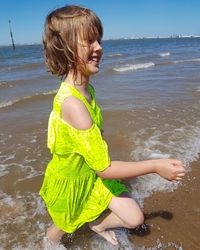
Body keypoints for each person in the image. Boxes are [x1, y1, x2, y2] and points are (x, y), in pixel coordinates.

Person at [39, 5, 185, 247]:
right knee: (62, 227)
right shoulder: (73, 104)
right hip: (71, 184)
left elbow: (93, 145)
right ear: (64, 49)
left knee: (135, 218)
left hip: (89, 176)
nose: (99, 47)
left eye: (98, 40)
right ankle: (44, 242)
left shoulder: (85, 88)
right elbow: (104, 169)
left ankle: (98, 223)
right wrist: (155, 165)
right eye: (89, 41)